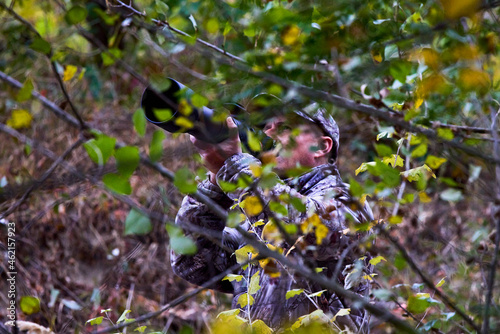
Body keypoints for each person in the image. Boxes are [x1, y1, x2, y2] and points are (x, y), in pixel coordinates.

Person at [170, 105, 374, 332]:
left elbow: (314, 228)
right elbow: (191, 263)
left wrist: (236, 168)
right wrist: (216, 184)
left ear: (321, 146)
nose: (269, 134)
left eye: (285, 127)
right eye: (266, 127)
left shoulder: (349, 201)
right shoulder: (256, 218)